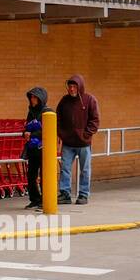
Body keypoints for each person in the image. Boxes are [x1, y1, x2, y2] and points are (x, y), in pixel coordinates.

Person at [56, 74, 99, 205]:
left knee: (85, 170)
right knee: (65, 168)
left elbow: (95, 120)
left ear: (80, 87)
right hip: (68, 143)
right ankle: (65, 194)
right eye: (70, 86)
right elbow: (57, 118)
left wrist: (86, 134)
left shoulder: (90, 100)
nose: (72, 89)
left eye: (74, 86)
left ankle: (83, 195)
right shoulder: (64, 101)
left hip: (84, 143)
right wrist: (62, 134)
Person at [22, 87, 47, 210]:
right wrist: (25, 132)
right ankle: (34, 198)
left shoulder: (47, 112)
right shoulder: (31, 112)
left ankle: (45, 199)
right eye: (31, 97)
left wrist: (31, 134)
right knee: (31, 174)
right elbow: (27, 127)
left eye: (35, 97)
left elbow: (47, 130)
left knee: (44, 174)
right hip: (32, 148)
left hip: (43, 148)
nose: (32, 99)